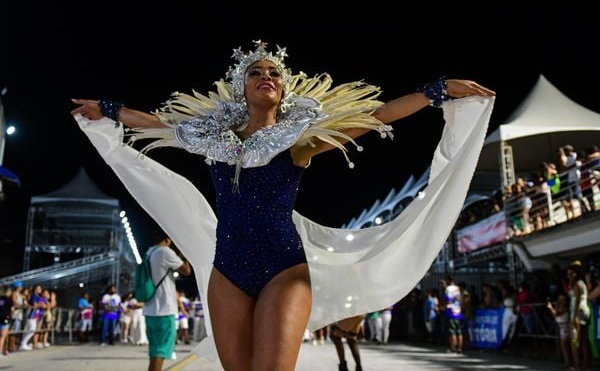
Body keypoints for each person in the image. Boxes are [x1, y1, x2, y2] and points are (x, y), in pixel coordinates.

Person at [71, 40, 494, 370]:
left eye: (274, 72)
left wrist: (435, 91)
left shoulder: (299, 142)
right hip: (227, 272)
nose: (265, 75)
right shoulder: (213, 140)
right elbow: (156, 121)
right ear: (243, 89)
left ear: (283, 89)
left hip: (284, 269)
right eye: (256, 72)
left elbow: (375, 116)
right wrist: (107, 110)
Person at [143, 234, 191, 371]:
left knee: (155, 351)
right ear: (167, 240)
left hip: (150, 311)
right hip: (164, 310)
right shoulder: (165, 252)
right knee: (161, 351)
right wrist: (183, 256)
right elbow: (187, 271)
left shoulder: (148, 253)